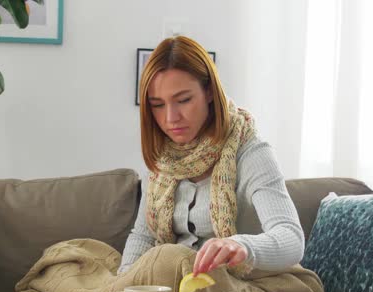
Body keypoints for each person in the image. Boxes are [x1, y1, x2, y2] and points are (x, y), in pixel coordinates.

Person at [118, 36, 305, 279]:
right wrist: (123, 286)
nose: (171, 118)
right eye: (157, 105)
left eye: (183, 100)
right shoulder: (164, 157)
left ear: (209, 92)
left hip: (232, 284)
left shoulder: (251, 153)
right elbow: (144, 236)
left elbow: (291, 238)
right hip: (174, 280)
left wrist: (240, 246)